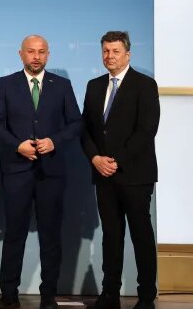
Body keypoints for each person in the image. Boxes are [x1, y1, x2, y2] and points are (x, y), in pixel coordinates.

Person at [0, 35, 81, 309]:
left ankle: (49, 295)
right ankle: (9, 295)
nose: (36, 56)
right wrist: (17, 145)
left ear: (48, 55)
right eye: (31, 52)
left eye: (41, 52)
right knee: (14, 234)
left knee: (50, 235)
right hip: (16, 172)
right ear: (21, 54)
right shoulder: (6, 84)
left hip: (51, 173)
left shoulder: (61, 85)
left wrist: (55, 141)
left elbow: (76, 123)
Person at [81, 31, 160, 309]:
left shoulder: (145, 85)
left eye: (115, 51)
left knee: (141, 235)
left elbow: (147, 130)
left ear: (127, 54)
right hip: (102, 174)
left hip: (135, 175)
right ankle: (110, 294)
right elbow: (86, 130)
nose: (109, 56)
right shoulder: (93, 85)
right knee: (111, 236)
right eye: (105, 51)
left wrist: (114, 160)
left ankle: (146, 296)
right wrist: (95, 159)